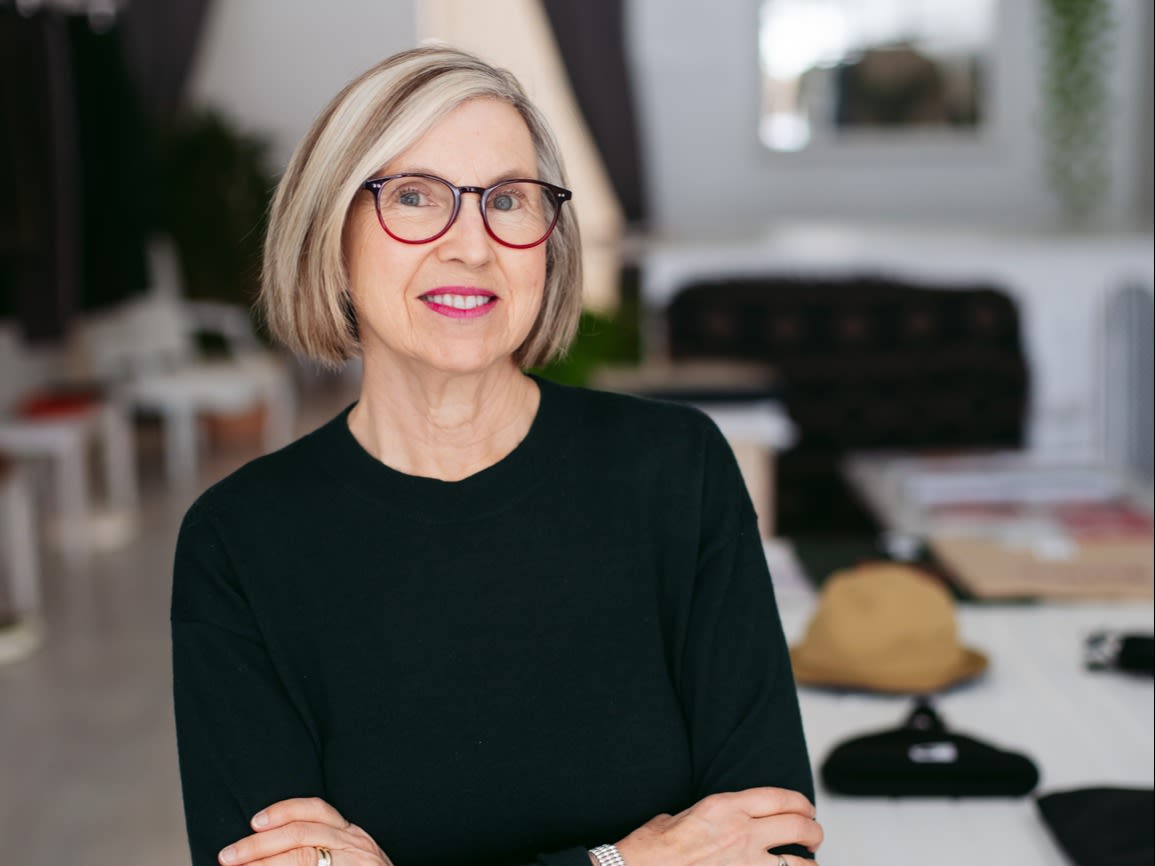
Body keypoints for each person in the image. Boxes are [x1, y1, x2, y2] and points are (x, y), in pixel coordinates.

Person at [171, 46, 823, 866]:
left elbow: (772, 846)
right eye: (413, 196)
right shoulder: (239, 540)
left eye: (508, 201)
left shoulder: (676, 468)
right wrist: (623, 863)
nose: (472, 247)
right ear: (330, 234)